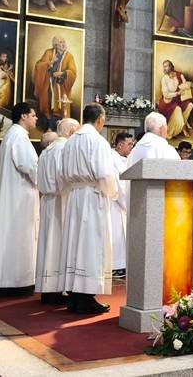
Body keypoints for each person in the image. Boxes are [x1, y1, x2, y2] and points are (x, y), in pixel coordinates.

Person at [56, 103, 120, 314]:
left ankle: (75, 296)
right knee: (91, 245)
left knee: (75, 244)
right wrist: (112, 192)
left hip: (75, 196)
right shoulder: (97, 141)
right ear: (100, 119)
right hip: (92, 197)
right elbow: (103, 173)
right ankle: (85, 297)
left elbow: (63, 173)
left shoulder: (70, 141)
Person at [0, 102, 39, 294]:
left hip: (16, 194)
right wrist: (47, 181)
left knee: (13, 236)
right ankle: (17, 281)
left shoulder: (12, 135)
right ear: (24, 116)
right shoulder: (19, 137)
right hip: (19, 198)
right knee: (19, 236)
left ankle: (9, 280)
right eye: (33, 115)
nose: (36, 118)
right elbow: (30, 167)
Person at [35, 118, 78, 304]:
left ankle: (48, 289)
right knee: (59, 244)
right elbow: (64, 177)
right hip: (62, 200)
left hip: (47, 200)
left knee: (48, 244)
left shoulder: (48, 149)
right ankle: (59, 288)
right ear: (70, 132)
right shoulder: (64, 149)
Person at [31, 36, 78, 121]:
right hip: (48, 83)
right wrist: (51, 61)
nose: (63, 44)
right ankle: (46, 119)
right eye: (61, 42)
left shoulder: (69, 56)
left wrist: (62, 73)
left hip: (61, 85)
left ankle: (58, 120)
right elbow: (39, 65)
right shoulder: (48, 52)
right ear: (55, 45)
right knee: (47, 100)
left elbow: (73, 72)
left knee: (61, 107)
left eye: (64, 42)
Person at [110, 132, 134, 277]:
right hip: (115, 203)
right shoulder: (112, 159)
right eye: (129, 144)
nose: (132, 146)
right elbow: (119, 185)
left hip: (123, 203)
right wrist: (128, 203)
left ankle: (122, 265)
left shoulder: (126, 159)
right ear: (120, 145)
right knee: (116, 233)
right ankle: (116, 266)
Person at [157, 60, 193, 139]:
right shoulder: (164, 79)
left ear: (171, 66)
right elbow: (166, 94)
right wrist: (176, 93)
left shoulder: (179, 75)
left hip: (179, 100)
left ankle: (181, 127)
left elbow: (185, 85)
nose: (164, 68)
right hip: (167, 102)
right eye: (163, 66)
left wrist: (186, 87)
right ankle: (169, 132)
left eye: (166, 66)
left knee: (190, 105)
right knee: (177, 109)